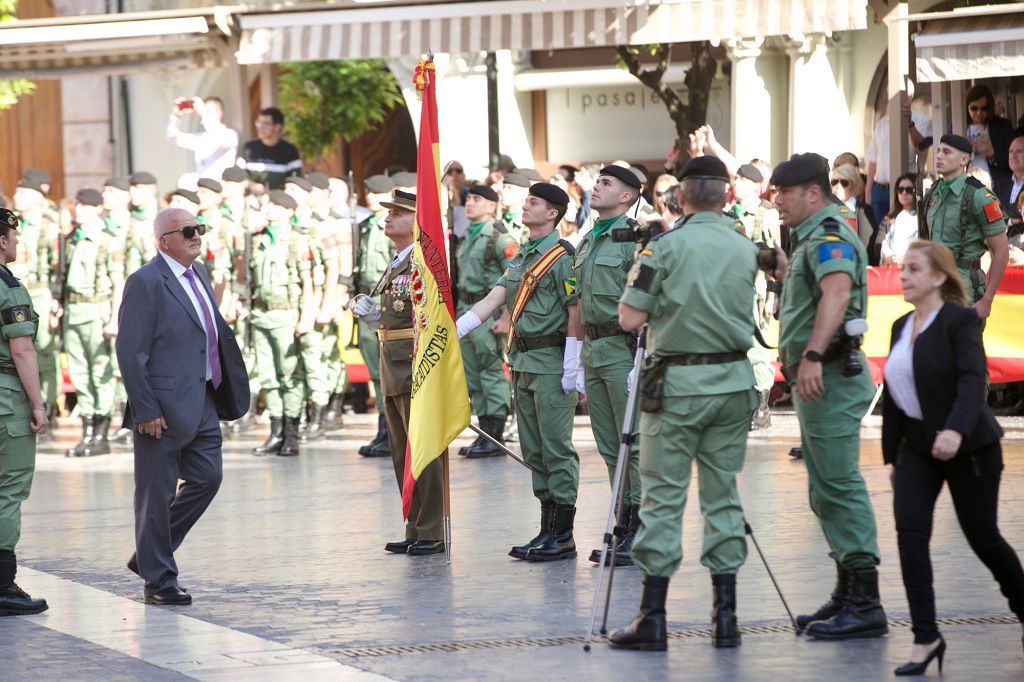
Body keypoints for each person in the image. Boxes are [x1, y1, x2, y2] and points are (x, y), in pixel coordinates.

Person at [607, 156, 771, 651]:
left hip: (676, 387)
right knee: (722, 496)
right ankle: (726, 619)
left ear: (681, 197)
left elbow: (631, 318)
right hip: (731, 382)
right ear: (725, 196)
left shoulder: (665, 249)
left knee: (663, 498)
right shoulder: (746, 248)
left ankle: (653, 618)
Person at [882, 240, 1024, 675]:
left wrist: (956, 429)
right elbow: (893, 395)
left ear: (940, 277)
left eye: (914, 269)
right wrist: (893, 457)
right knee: (910, 537)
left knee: (984, 539)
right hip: (916, 450)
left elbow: (972, 378)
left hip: (970, 447)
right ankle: (925, 638)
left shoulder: (960, 322)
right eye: (902, 268)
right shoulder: (901, 326)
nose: (903, 276)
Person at [772, 152, 888, 640]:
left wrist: (815, 355)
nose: (778, 201)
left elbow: (838, 294)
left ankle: (866, 601)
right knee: (823, 488)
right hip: (818, 377)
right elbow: (817, 292)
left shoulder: (830, 234)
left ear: (813, 193)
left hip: (831, 375)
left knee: (838, 484)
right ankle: (846, 590)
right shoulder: (808, 240)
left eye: (785, 193)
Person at [116, 207, 249, 605]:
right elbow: (130, 351)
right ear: (164, 241)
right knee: (155, 493)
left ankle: (149, 554)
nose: (197, 235)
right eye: (188, 230)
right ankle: (159, 580)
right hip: (161, 407)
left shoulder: (199, 274)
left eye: (200, 228)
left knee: (208, 478)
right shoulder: (145, 282)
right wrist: (146, 408)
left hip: (203, 397)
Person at [455, 183, 581, 562]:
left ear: (553, 214)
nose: (526, 206)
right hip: (522, 362)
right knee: (534, 451)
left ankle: (563, 534)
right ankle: (546, 529)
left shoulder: (563, 258)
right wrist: (453, 330)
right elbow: (494, 299)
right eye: (526, 200)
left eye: (535, 202)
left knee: (556, 449)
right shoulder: (522, 256)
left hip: (551, 364)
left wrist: (573, 362)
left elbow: (575, 311)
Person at [350, 190, 444, 556]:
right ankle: (415, 525)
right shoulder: (397, 261)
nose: (387, 218)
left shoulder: (422, 260)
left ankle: (432, 527)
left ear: (415, 221)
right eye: (388, 212)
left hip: (414, 362)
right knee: (401, 449)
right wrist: (374, 315)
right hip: (391, 359)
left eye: (397, 212)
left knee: (424, 448)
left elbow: (430, 314)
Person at [572, 165, 645, 566]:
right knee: (608, 445)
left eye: (606, 183)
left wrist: (641, 355)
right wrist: (575, 354)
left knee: (630, 442)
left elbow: (648, 294)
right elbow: (580, 300)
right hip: (595, 350)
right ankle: (623, 524)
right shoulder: (588, 241)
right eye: (597, 181)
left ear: (627, 196)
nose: (596, 187)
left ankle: (638, 529)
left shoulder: (636, 239)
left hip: (623, 346)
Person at [0, 207, 50, 617]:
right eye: (13, 237)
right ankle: (2, 584)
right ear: (2, 240)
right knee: (8, 491)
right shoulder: (9, 288)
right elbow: (21, 348)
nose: (16, 243)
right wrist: (37, 403)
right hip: (6, 400)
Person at [455, 184, 518, 459]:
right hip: (467, 310)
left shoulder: (500, 237)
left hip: (489, 310)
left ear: (492, 206)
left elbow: (516, 280)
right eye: (468, 199)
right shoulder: (466, 236)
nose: (470, 204)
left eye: (477, 199)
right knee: (473, 375)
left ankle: (495, 435)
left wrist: (506, 317)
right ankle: (484, 433)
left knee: (491, 372)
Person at [249, 191, 313, 457]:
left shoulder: (297, 240)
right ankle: (276, 432)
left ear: (289, 211)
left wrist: (306, 314)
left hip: (286, 314)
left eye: (275, 205)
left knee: (289, 374)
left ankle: (292, 433)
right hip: (260, 314)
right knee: (267, 375)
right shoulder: (257, 239)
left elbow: (307, 280)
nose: (269, 208)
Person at [62, 189, 124, 458]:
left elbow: (118, 281)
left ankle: (101, 433)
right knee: (79, 372)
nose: (79, 210)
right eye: (79, 205)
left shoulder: (108, 240)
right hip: (74, 309)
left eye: (86, 206)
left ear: (98, 209)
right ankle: (87, 430)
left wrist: (114, 317)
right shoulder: (73, 239)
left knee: (101, 371)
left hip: (97, 309)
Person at [921, 134, 1009, 318]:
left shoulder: (978, 196)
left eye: (946, 152)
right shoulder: (932, 193)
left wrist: (987, 299)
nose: (939, 156)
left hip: (965, 292)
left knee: (965, 346)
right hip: (933, 291)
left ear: (964, 159)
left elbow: (1001, 250)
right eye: (938, 151)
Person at [11, 177, 60, 422]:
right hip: (16, 287)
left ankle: (49, 401)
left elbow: (56, 264)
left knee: (44, 349)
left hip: (41, 290)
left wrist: (56, 296)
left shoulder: (48, 224)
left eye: (23, 192)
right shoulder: (13, 221)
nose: (17, 196)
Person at [354, 175, 396, 457]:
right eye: (369, 192)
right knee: (374, 371)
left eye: (378, 193)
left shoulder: (395, 228)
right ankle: (383, 426)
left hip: (388, 298)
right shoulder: (367, 225)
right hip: (368, 298)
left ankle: (392, 429)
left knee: (388, 371)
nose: (371, 197)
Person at [865, 85, 932, 222]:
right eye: (891, 95)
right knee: (880, 236)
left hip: (905, 190)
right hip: (880, 189)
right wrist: (868, 192)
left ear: (910, 96)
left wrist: (909, 123)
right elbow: (873, 161)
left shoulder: (923, 121)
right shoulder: (882, 123)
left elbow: (921, 146)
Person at [166, 96, 239, 180]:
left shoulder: (230, 135)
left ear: (220, 112)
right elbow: (171, 138)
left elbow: (217, 134)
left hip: (222, 188)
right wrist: (176, 117)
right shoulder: (201, 138)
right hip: (204, 189)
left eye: (210, 111)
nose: (207, 114)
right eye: (206, 111)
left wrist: (204, 113)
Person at [237, 107, 302, 194]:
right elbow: (237, 177)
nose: (260, 127)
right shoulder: (248, 148)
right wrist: (251, 185)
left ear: (277, 127)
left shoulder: (290, 150)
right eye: (259, 123)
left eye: (265, 124)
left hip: (280, 203)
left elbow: (296, 180)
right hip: (251, 200)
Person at [964, 84, 1015, 186]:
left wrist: (992, 153)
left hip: (996, 185)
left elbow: (1015, 159)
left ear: (990, 108)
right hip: (966, 183)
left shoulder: (1002, 126)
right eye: (974, 108)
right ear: (967, 107)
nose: (979, 113)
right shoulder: (958, 126)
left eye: (984, 108)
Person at [832, 163, 880, 263]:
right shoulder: (827, 209)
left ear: (853, 187)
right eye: (834, 182)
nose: (838, 186)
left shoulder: (863, 210)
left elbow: (866, 245)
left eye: (844, 183)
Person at [880, 174, 919, 266]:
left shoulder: (922, 218)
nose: (904, 193)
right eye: (900, 190)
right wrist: (889, 257)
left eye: (909, 190)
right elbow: (882, 244)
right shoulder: (889, 218)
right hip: (892, 268)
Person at [993, 135, 1024, 232]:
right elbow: (991, 213)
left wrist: (1001, 207)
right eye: (1011, 152)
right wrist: (1016, 218)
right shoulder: (999, 185)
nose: (1013, 156)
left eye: (1019, 151)